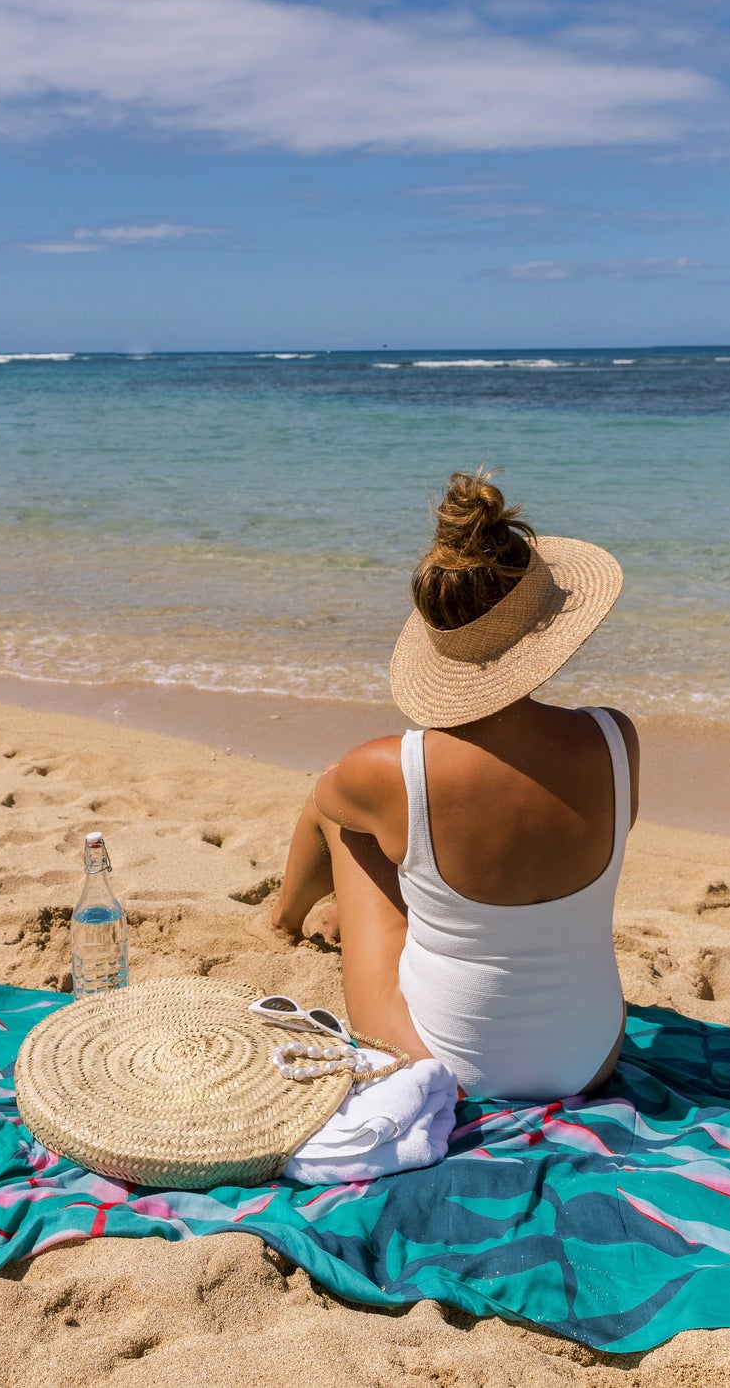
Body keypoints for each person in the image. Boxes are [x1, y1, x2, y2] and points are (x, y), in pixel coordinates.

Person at [269, 471, 638, 1101]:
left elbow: (337, 802)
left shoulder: (392, 768)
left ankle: (281, 921)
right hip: (593, 1054)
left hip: (449, 1064)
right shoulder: (615, 741)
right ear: (543, 628)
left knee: (337, 803)